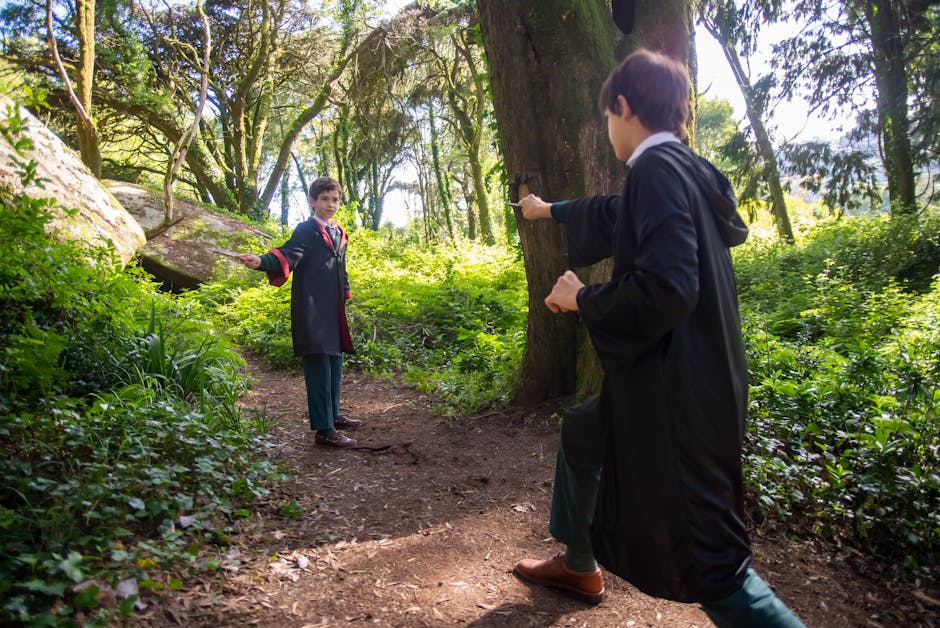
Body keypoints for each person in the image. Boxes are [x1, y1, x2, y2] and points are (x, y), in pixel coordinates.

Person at [513, 49, 805, 626]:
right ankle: (578, 563)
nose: (608, 129)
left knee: (715, 564)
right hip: (697, 375)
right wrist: (549, 211)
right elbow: (619, 212)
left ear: (623, 106)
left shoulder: (655, 170)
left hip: (680, 394)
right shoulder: (686, 169)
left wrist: (583, 297)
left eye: (607, 116)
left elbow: (668, 288)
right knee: (584, 432)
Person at [236, 176, 362, 448]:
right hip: (312, 307)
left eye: (335, 199)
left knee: (334, 361)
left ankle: (334, 414)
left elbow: (341, 267)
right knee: (318, 364)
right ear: (312, 201)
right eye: (324, 199)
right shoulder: (306, 230)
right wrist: (260, 261)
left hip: (333, 307)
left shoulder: (339, 233)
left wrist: (346, 290)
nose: (330, 204)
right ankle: (324, 430)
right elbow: (287, 254)